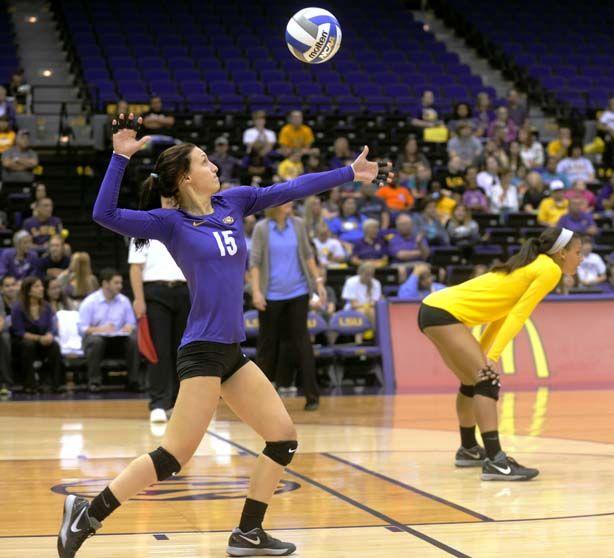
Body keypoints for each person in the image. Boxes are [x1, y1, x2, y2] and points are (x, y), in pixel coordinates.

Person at [57, 112, 391, 557]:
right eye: (205, 162)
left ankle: (248, 533)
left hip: (231, 351)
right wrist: (119, 156)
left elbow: (291, 188)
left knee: (283, 438)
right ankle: (86, 513)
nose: (214, 167)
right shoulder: (168, 223)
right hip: (201, 352)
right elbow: (105, 214)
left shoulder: (234, 202)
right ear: (185, 178)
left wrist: (349, 173)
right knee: (173, 457)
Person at [419, 227, 582, 480]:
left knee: (472, 381)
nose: (581, 258)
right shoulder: (549, 270)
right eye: (578, 252)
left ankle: (469, 450)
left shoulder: (533, 264)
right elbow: (519, 316)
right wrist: (492, 358)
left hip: (433, 308)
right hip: (444, 312)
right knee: (486, 380)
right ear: (561, 253)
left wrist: (485, 354)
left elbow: (501, 315)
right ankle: (496, 461)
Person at [249, 201, 326, 411]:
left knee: (302, 342)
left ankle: (312, 396)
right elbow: (254, 262)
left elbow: (308, 256)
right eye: (285, 201)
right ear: (274, 205)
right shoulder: (262, 228)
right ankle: (261, 397)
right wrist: (256, 291)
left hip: (298, 292)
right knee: (267, 345)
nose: (290, 204)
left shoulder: (298, 224)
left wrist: (318, 283)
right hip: (270, 294)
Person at [129, 222, 190, 423]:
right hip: (155, 293)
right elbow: (136, 267)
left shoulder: (188, 224)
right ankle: (158, 403)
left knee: (183, 351)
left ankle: (179, 403)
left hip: (185, 291)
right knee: (159, 350)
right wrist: (138, 299)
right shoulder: (143, 227)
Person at [78, 268, 139, 393]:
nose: (120, 286)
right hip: (96, 340)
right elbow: (82, 329)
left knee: (133, 340)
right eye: (116, 283)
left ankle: (134, 381)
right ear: (105, 284)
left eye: (120, 283)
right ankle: (94, 382)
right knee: (96, 341)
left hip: (117, 340)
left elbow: (131, 323)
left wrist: (129, 327)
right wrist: (100, 329)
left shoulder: (124, 301)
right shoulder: (90, 302)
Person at [10, 276, 64, 394]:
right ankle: (30, 384)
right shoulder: (18, 308)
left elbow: (52, 326)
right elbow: (19, 332)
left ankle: (55, 384)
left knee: (54, 346)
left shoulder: (46, 306)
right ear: (28, 291)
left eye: (41, 286)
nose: (42, 289)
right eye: (37, 286)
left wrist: (50, 335)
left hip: (43, 340)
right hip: (23, 341)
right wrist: (40, 338)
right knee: (28, 345)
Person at [0, 275, 17, 396]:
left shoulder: (22, 299)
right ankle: (5, 382)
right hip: (6, 333)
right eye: (7, 286)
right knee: (4, 337)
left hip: (22, 333)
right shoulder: (0, 301)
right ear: (1, 288)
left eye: (13, 285)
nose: (11, 288)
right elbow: (1, 321)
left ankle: (6, 382)